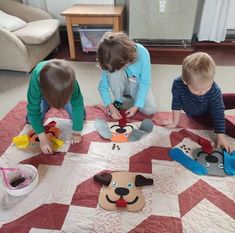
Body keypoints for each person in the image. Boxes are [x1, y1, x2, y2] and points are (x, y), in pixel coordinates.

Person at [164, 52, 235, 153]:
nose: (202, 92)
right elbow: (176, 104)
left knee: (227, 100)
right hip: (200, 115)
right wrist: (174, 122)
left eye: (207, 87)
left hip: (211, 101)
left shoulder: (214, 89)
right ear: (185, 81)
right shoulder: (178, 85)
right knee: (225, 125)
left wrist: (220, 136)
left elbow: (218, 111)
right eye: (197, 90)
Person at [27, 59, 85, 154]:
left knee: (80, 116)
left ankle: (61, 101)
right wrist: (42, 138)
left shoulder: (71, 82)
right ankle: (46, 102)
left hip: (63, 93)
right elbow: (33, 111)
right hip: (42, 97)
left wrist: (77, 131)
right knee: (31, 120)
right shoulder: (36, 81)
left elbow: (78, 104)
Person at [97, 32, 157, 120]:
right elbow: (102, 87)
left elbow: (145, 82)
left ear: (126, 60)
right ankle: (119, 100)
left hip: (137, 85)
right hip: (121, 86)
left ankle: (130, 99)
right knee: (114, 74)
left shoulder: (142, 52)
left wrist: (136, 106)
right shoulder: (108, 59)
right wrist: (110, 106)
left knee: (150, 110)